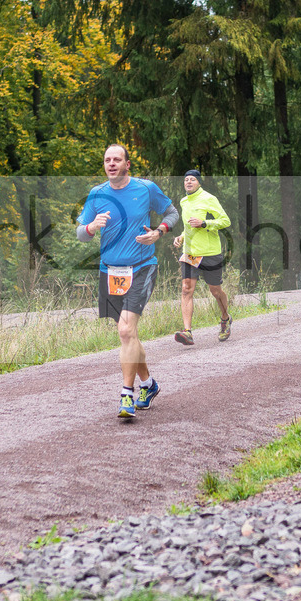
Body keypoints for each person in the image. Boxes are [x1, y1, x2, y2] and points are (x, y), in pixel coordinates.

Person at [77, 144, 179, 419]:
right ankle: (149, 384)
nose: (111, 164)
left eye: (116, 159)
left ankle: (127, 396)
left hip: (142, 267)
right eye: (107, 160)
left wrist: (159, 231)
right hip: (110, 272)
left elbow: (172, 213)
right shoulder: (97, 194)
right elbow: (80, 233)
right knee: (128, 334)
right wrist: (91, 227)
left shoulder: (146, 188)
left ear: (127, 164)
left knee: (125, 331)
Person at [172, 169, 232, 346]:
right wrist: (181, 237)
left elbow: (225, 221)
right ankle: (187, 332)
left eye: (192, 180)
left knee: (215, 291)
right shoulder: (184, 201)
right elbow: (188, 226)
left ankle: (225, 318)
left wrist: (205, 223)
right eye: (186, 180)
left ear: (198, 182)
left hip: (210, 253)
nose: (188, 182)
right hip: (190, 253)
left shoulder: (208, 199)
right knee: (186, 289)